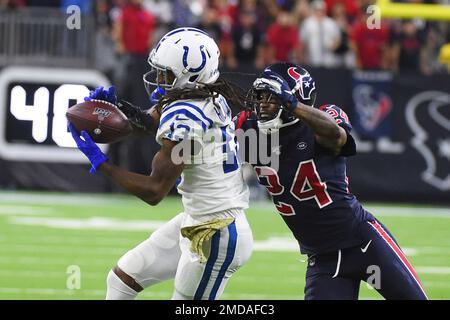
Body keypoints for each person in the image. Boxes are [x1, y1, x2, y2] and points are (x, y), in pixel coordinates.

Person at [69, 27, 253, 300]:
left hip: (216, 232)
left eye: (166, 73)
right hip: (200, 219)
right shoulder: (204, 96)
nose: (158, 79)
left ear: (190, 75)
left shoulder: (187, 115)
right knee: (122, 278)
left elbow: (155, 190)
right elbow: (151, 121)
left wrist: (101, 162)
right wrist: (120, 107)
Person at [234, 62, 428, 300]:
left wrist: (293, 105)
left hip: (363, 241)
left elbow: (337, 136)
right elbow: (208, 144)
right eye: (261, 96)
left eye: (272, 97)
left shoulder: (323, 120)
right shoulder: (250, 131)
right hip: (323, 259)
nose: (263, 104)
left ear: (294, 98)